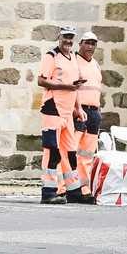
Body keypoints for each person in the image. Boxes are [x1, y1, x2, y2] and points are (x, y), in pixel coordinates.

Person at [37, 26, 85, 204]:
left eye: (71, 37)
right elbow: (41, 80)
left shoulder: (73, 56)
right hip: (53, 108)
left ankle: (73, 190)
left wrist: (78, 108)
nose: (68, 41)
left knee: (70, 151)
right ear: (59, 37)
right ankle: (48, 191)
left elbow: (75, 87)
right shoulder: (51, 56)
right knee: (52, 151)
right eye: (65, 37)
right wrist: (66, 87)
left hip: (67, 111)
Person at [74, 30, 105, 198]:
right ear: (80, 44)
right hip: (79, 111)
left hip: (93, 112)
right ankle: (65, 187)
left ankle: (84, 188)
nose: (90, 46)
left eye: (93, 44)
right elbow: (71, 89)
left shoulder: (95, 64)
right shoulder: (74, 62)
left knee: (87, 153)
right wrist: (75, 109)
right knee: (71, 151)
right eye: (87, 43)